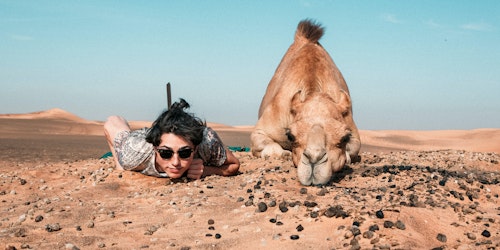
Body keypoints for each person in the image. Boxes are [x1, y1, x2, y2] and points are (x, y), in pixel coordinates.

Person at [103, 99, 240, 179]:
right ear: (155, 148)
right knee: (114, 121)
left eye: (185, 153)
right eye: (166, 154)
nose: (175, 162)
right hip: (139, 143)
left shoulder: (207, 143)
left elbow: (234, 165)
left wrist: (207, 171)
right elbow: (111, 124)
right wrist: (121, 167)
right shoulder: (134, 152)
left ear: (195, 148)